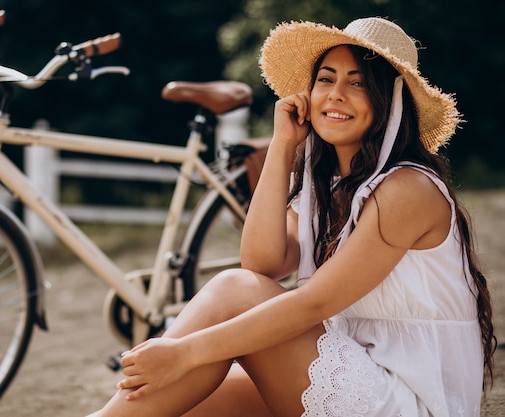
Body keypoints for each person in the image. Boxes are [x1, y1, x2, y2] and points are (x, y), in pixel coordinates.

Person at [86, 17, 496, 417]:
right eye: (325, 79)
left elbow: (310, 303)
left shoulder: (408, 189)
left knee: (223, 305)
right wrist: (283, 146)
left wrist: (183, 352)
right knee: (190, 400)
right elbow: (262, 264)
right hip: (357, 370)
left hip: (408, 398)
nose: (335, 94)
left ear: (390, 102)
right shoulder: (329, 186)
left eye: (357, 83)